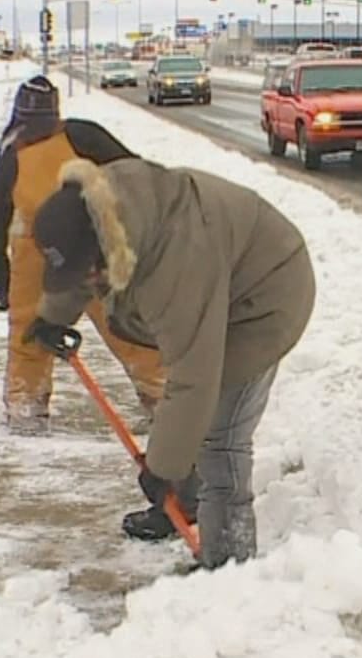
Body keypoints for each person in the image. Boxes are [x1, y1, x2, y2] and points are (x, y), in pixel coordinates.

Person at [26, 156, 316, 570]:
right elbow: (82, 266)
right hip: (220, 278)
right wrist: (52, 315)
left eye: (87, 273)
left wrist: (162, 469)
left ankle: (231, 563)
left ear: (106, 248)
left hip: (263, 299)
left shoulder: (176, 261)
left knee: (221, 436)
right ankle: (186, 504)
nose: (88, 283)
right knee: (185, 424)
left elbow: (194, 377)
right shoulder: (104, 215)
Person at [0, 76, 197, 542]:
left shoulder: (12, 157)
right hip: (95, 247)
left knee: (32, 341)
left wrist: (2, 285)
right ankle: (163, 401)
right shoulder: (82, 135)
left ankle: (26, 412)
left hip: (52, 255)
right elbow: (140, 174)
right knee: (130, 332)